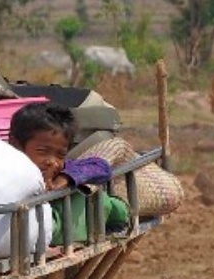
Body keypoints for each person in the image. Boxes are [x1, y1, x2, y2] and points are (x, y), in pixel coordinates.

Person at [8, 103, 129, 245]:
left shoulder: (63, 169)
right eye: (42, 151)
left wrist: (67, 177)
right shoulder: (8, 172)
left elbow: (101, 167)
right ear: (15, 144)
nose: (52, 162)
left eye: (60, 154)